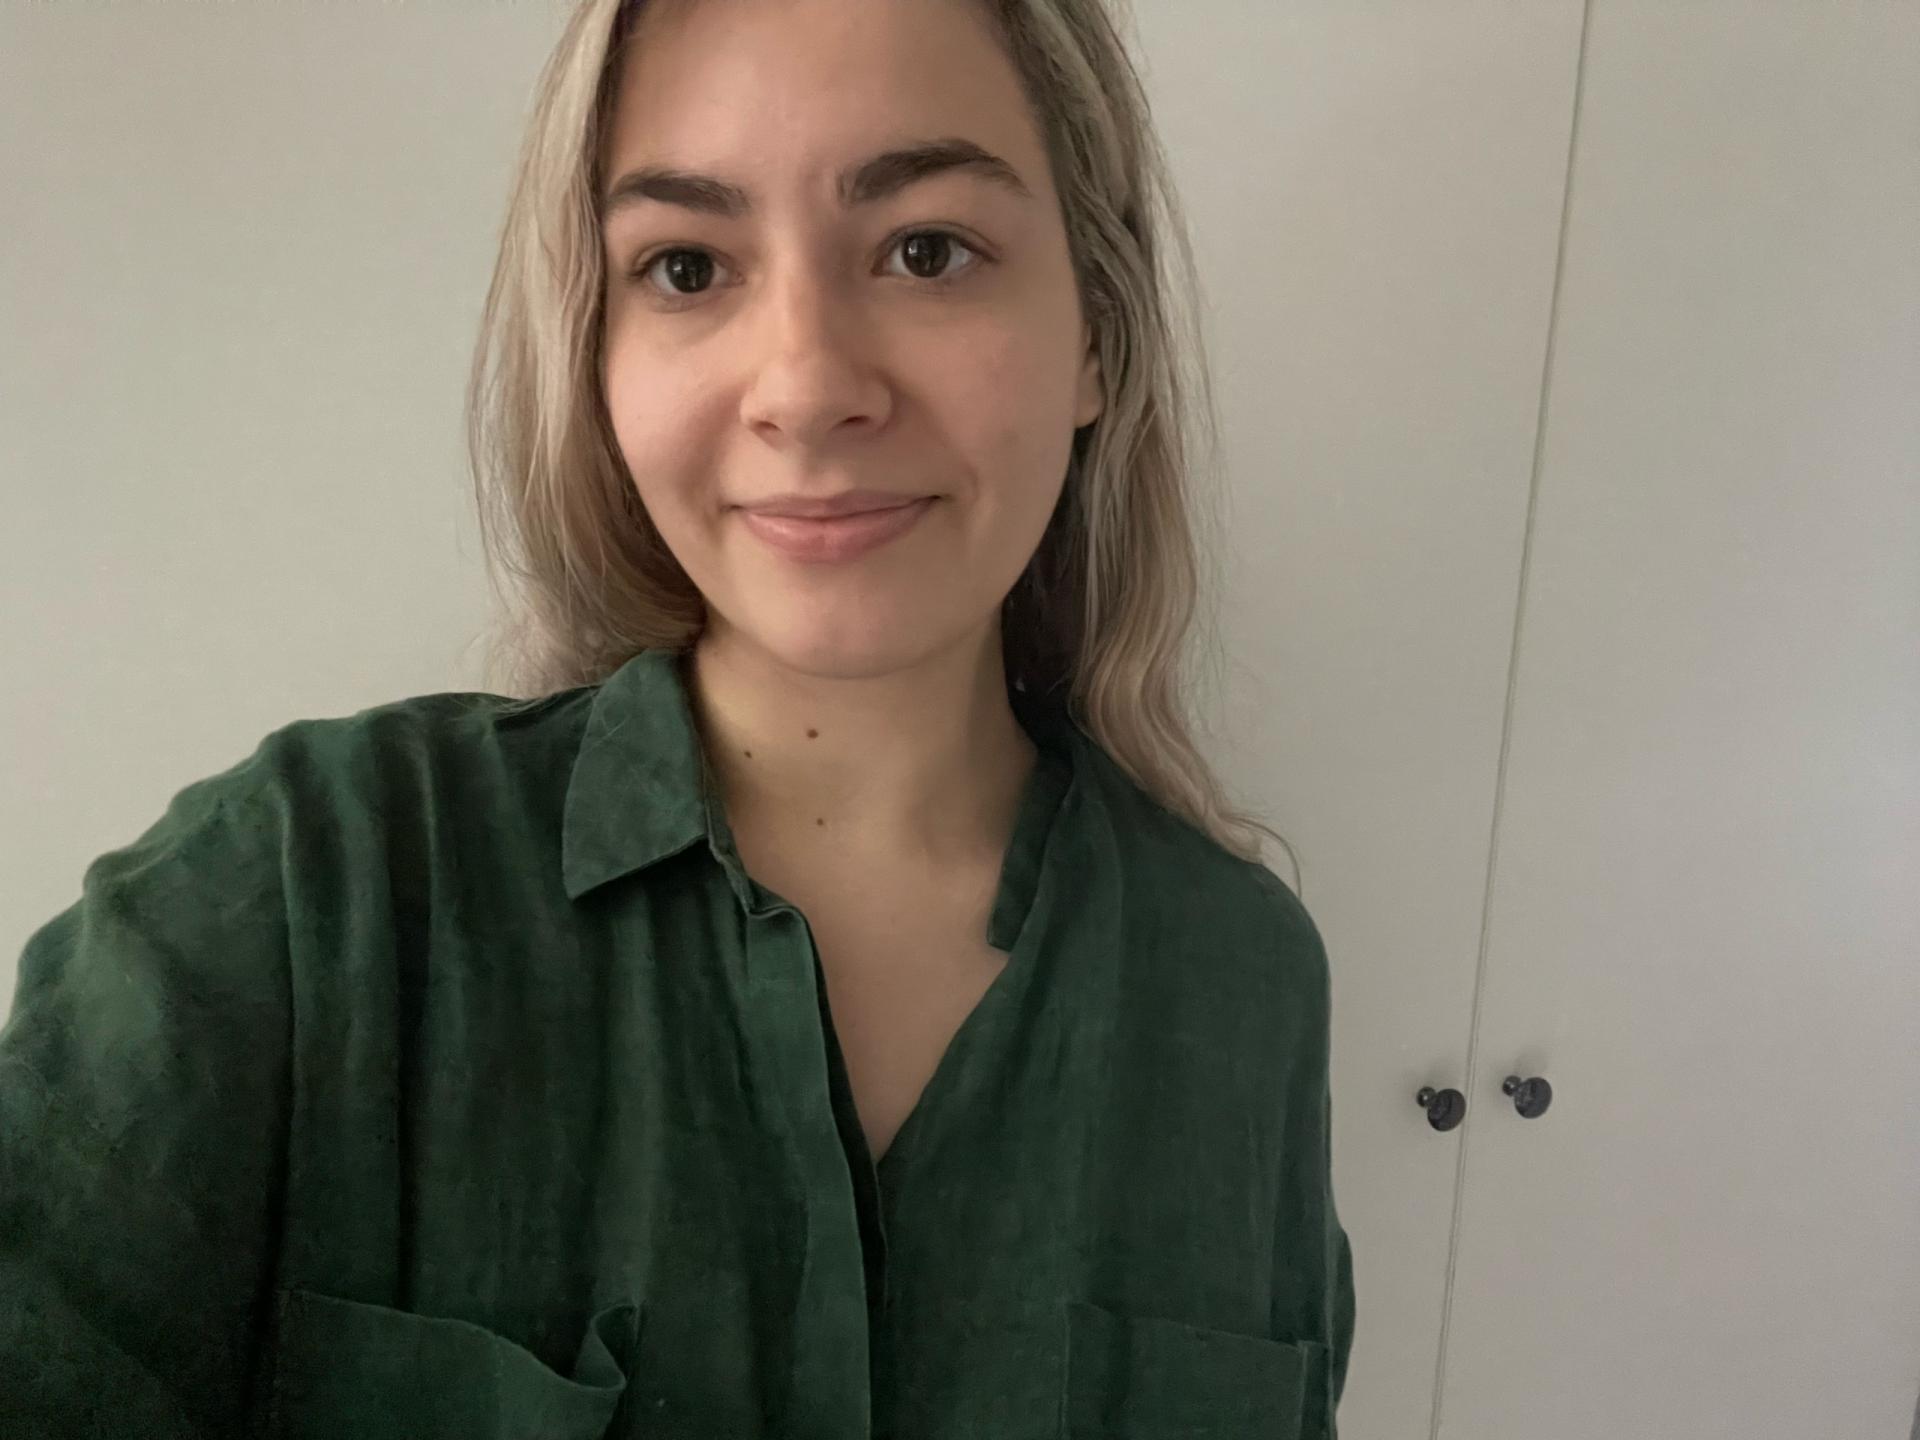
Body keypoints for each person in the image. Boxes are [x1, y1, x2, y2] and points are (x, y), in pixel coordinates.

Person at [0, 0, 1355, 1434]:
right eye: (687, 267)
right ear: (596, 357)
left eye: (927, 249)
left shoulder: (1242, 982)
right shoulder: (299, 895)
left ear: (1098, 335)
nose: (808, 389)